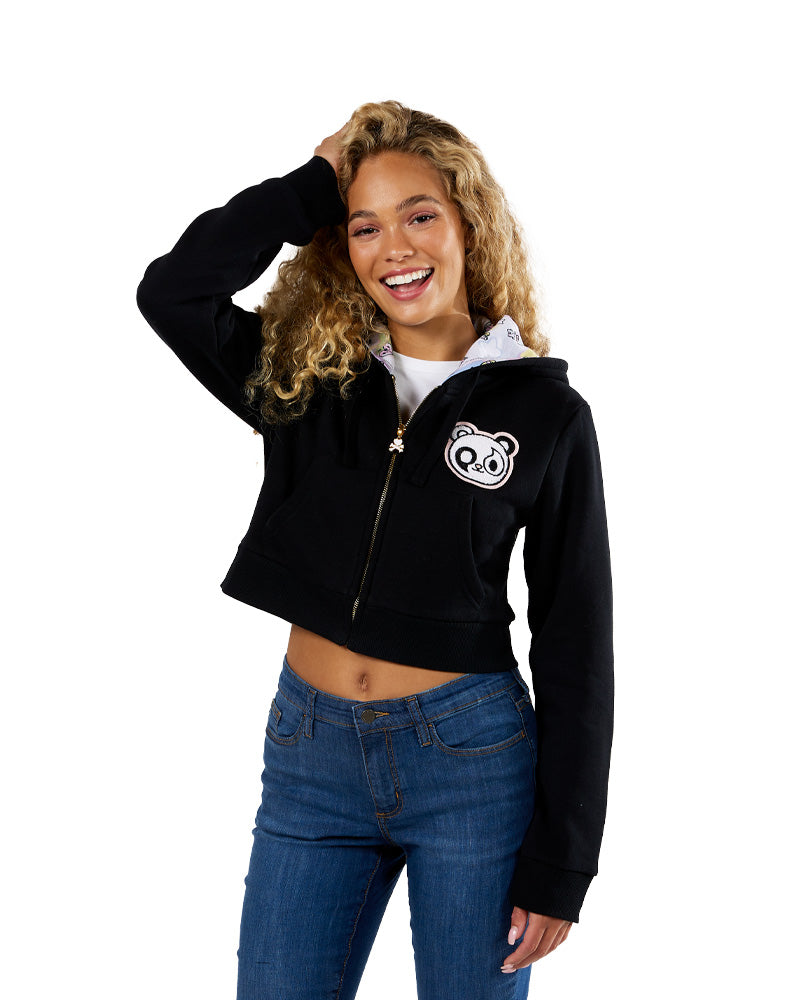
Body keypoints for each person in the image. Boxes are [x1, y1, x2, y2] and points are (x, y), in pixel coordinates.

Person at [136, 100, 614, 1000]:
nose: (395, 246)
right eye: (364, 225)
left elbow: (576, 639)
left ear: (469, 222)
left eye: (419, 215)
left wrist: (564, 861)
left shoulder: (545, 413)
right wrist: (306, 188)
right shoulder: (307, 378)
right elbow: (172, 292)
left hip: (471, 766)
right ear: (340, 246)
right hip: (310, 758)